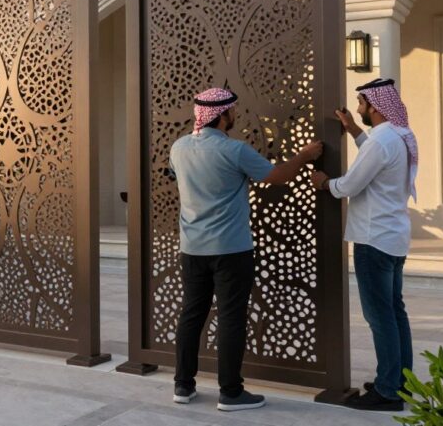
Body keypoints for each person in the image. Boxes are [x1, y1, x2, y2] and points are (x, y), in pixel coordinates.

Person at [169, 88, 323, 412]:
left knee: (191, 314)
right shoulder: (234, 150)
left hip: (192, 248)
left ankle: (183, 385)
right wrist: (304, 156)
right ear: (223, 115)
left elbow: (177, 178)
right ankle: (231, 392)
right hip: (230, 249)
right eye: (232, 111)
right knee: (230, 317)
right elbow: (279, 176)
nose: (234, 115)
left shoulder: (179, 147)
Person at [311, 78, 417, 412]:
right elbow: (376, 159)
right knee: (395, 312)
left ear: (374, 105)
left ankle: (386, 392)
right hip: (393, 236)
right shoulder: (398, 135)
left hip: (373, 239)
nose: (358, 109)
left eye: (360, 104)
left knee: (380, 316)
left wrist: (325, 183)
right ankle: (400, 382)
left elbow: (351, 185)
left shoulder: (382, 141)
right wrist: (354, 131)